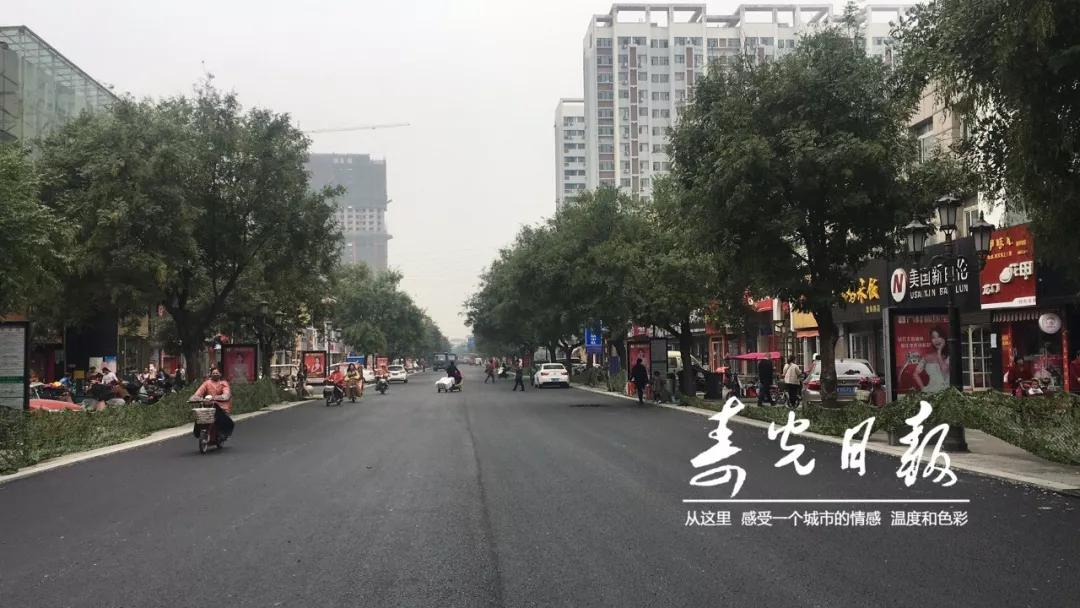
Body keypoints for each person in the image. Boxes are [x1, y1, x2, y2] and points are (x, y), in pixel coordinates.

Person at [190, 367, 235, 437]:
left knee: (224, 419)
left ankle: (222, 433)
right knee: (199, 416)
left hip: (220, 406)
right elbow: (199, 392)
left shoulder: (223, 383)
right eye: (213, 373)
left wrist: (218, 397)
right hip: (207, 405)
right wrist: (194, 398)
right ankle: (199, 433)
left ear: (220, 374)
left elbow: (226, 394)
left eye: (217, 373)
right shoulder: (207, 383)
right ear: (211, 374)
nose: (215, 374)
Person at [914, 326, 949, 393]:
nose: (936, 340)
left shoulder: (950, 356)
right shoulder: (927, 357)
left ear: (944, 338)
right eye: (933, 337)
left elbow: (944, 372)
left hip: (947, 393)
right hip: (931, 392)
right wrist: (923, 388)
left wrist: (939, 352)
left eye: (939, 336)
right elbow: (915, 374)